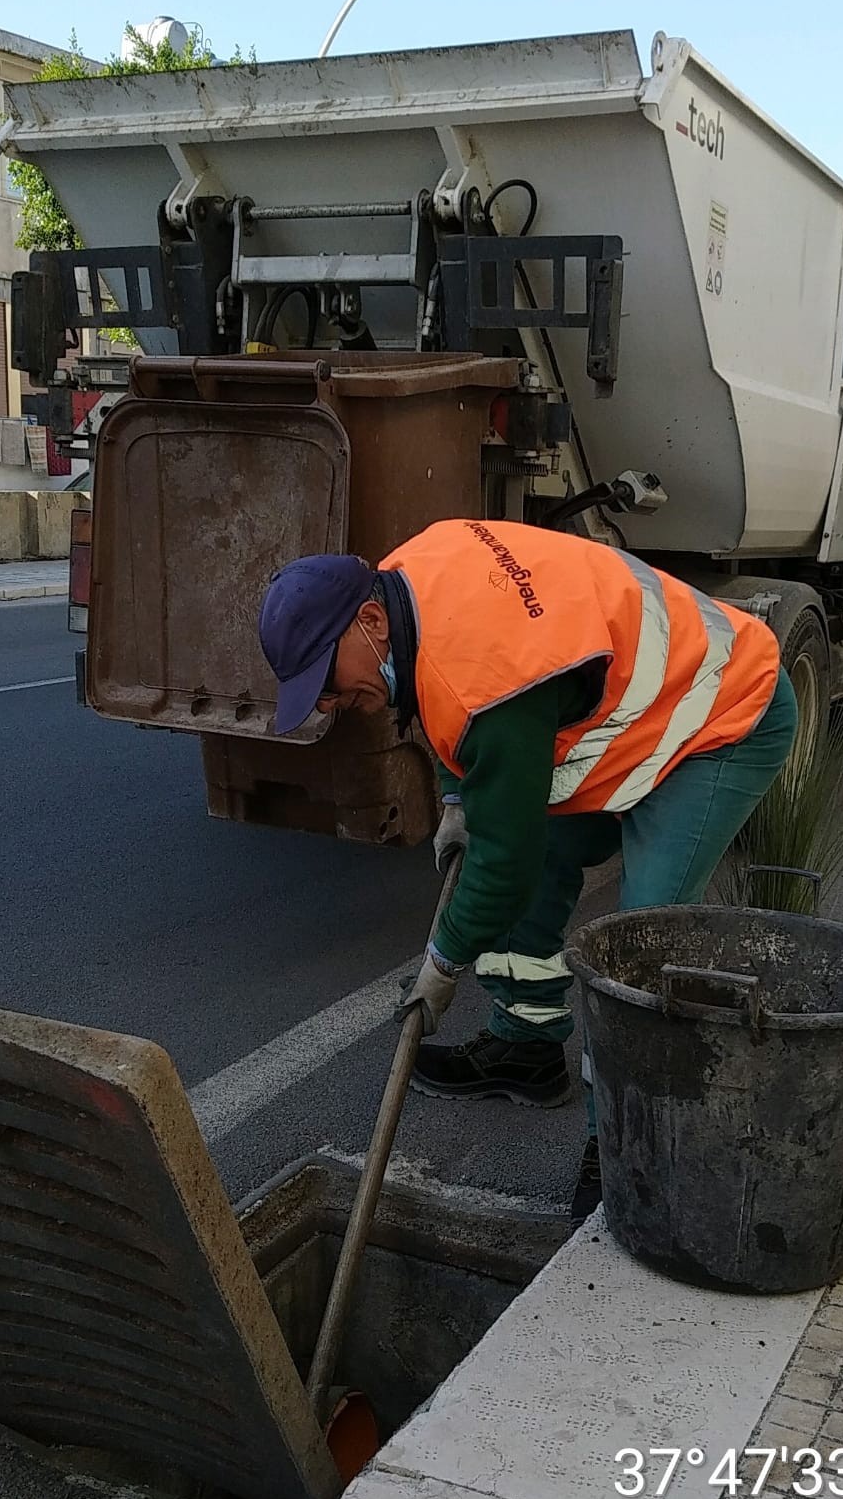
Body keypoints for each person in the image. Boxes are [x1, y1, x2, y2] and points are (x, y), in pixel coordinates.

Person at [258, 519, 797, 1216]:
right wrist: (460, 797)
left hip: (722, 713)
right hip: (627, 708)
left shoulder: (485, 681)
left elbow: (502, 865)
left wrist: (442, 964)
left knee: (636, 950)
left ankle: (624, 1154)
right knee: (526, 847)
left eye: (324, 681)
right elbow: (453, 704)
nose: (328, 703)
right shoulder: (400, 580)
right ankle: (527, 1046)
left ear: (369, 622)